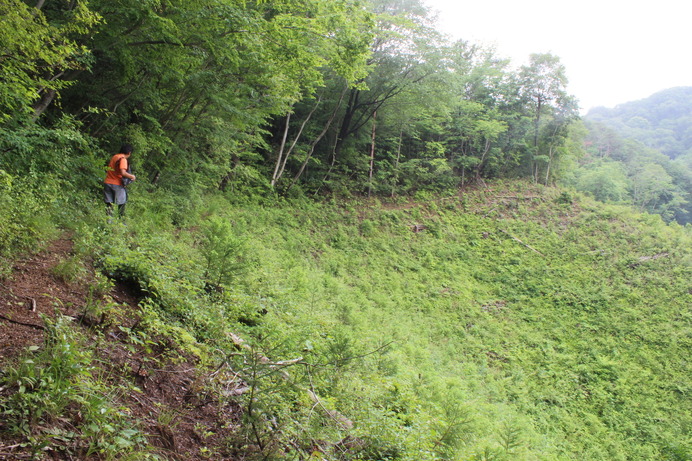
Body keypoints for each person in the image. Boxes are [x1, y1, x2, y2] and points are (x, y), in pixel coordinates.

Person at [103, 143, 136, 219]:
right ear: (129, 153)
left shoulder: (115, 157)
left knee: (109, 203)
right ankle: (121, 222)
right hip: (117, 184)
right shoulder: (123, 159)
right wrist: (132, 176)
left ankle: (108, 221)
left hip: (107, 182)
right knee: (122, 203)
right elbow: (123, 172)